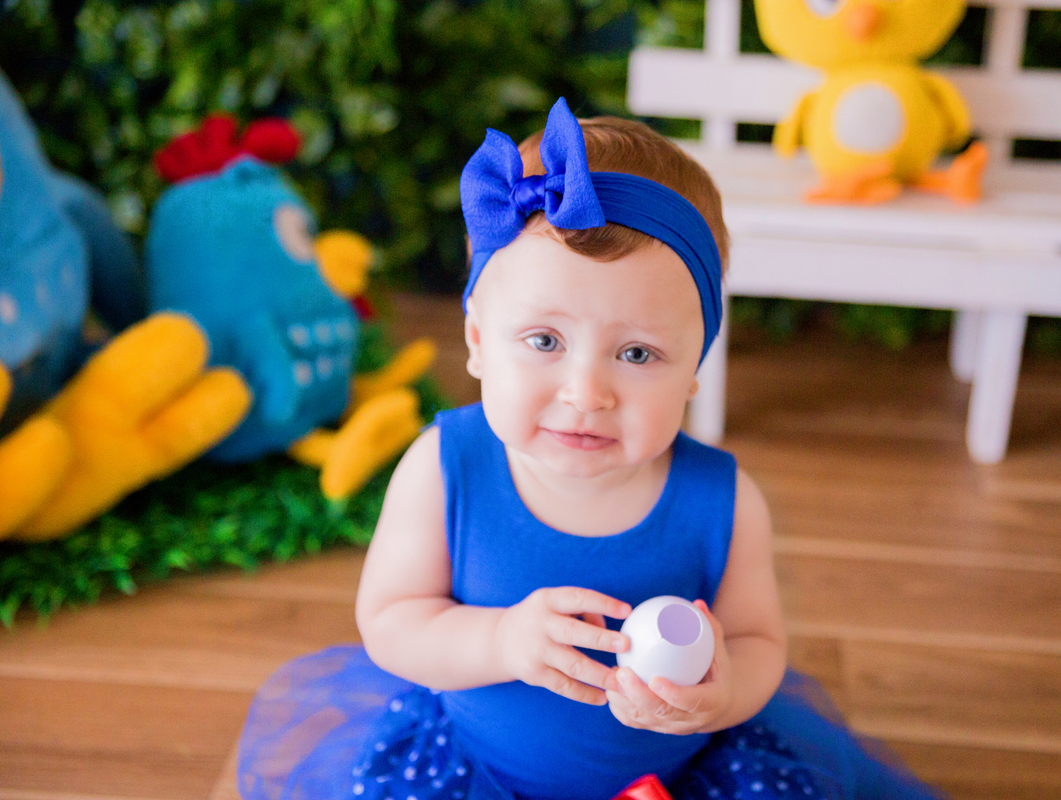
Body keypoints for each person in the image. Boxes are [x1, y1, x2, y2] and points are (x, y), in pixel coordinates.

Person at [237, 99, 942, 800]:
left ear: (697, 366)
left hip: (673, 778)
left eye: (637, 353)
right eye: (544, 341)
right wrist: (502, 641)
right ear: (479, 341)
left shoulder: (723, 501)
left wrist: (723, 694)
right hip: (475, 772)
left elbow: (758, 642)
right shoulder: (445, 468)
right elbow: (391, 623)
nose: (587, 392)